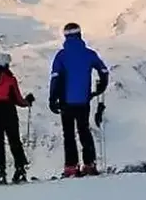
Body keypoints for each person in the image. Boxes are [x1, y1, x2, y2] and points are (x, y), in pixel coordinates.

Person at [48, 22, 109, 177]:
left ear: (65, 36)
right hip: (83, 100)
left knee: (68, 134)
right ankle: (89, 164)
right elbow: (103, 70)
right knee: (84, 131)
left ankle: (71, 167)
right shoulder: (89, 54)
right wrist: (101, 87)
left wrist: (52, 98)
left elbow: (55, 78)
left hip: (65, 101)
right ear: (80, 35)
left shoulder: (61, 56)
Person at [0, 52, 35, 184]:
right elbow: (17, 99)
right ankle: (20, 169)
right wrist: (27, 102)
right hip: (8, 112)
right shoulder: (10, 79)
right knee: (14, 140)